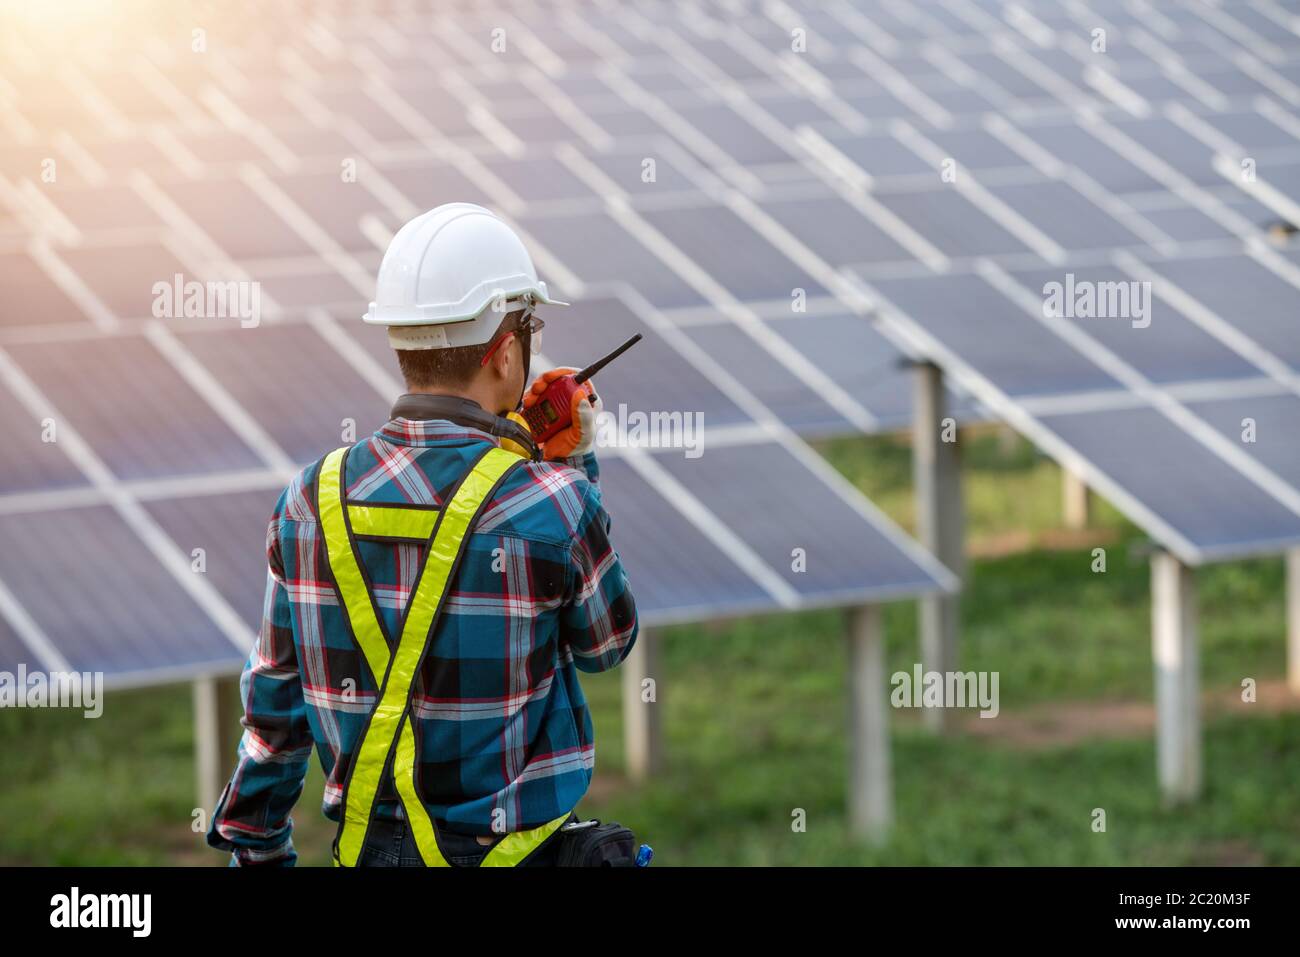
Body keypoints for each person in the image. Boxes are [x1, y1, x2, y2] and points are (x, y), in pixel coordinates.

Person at [206, 203, 639, 866]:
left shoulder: (307, 501)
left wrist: (257, 849)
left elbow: (275, 710)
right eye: (532, 328)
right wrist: (570, 462)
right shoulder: (554, 504)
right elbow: (607, 643)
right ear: (505, 352)